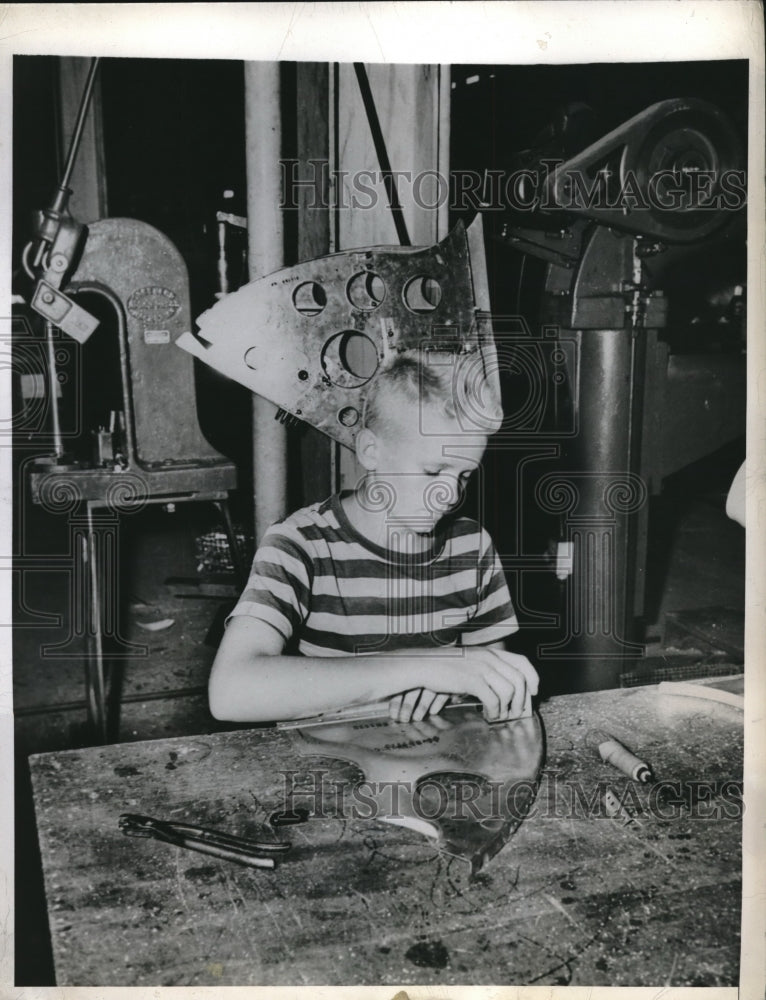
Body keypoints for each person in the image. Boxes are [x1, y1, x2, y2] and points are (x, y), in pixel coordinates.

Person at [209, 350, 539, 724]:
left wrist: (454, 686)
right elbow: (230, 692)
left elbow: (492, 683)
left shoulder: (472, 547)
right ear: (370, 451)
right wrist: (418, 666)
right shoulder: (301, 544)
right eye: (433, 471)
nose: (451, 495)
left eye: (464, 475)